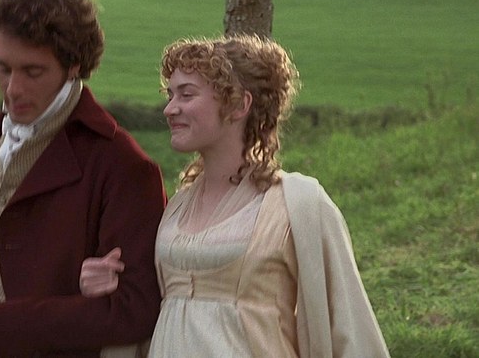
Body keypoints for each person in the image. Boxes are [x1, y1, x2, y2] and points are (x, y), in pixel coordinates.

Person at [79, 34, 391, 357]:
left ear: (240, 104)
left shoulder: (297, 205)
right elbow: (152, 312)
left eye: (187, 94)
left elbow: (350, 328)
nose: (170, 109)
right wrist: (107, 289)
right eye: (170, 95)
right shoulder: (177, 207)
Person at [0, 0, 167, 358]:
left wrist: (2, 327)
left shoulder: (121, 165)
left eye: (33, 72)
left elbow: (135, 310)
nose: (13, 89)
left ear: (73, 67)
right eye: (3, 68)